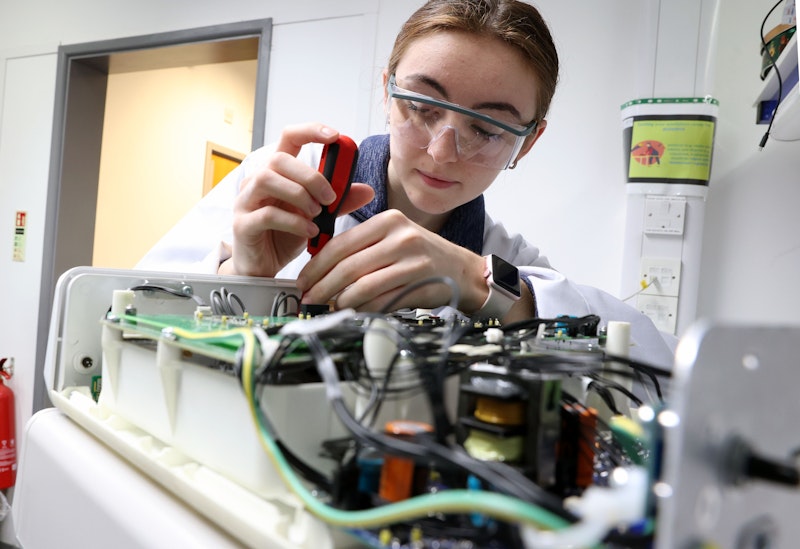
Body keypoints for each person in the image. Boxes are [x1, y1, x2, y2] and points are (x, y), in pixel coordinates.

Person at [136, 0, 676, 368]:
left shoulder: (508, 264)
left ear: (527, 143)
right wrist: (243, 277)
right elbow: (117, 325)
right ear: (387, 92)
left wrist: (487, 288)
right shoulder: (273, 192)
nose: (442, 151)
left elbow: (661, 367)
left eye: (486, 128)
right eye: (420, 107)